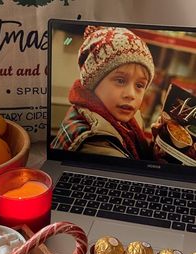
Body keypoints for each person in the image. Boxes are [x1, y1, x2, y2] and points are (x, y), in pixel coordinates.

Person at [51, 25, 156, 160]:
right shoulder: (94, 140)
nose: (131, 94)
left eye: (140, 85)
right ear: (93, 83)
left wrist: (159, 147)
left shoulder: (127, 119)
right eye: (120, 80)